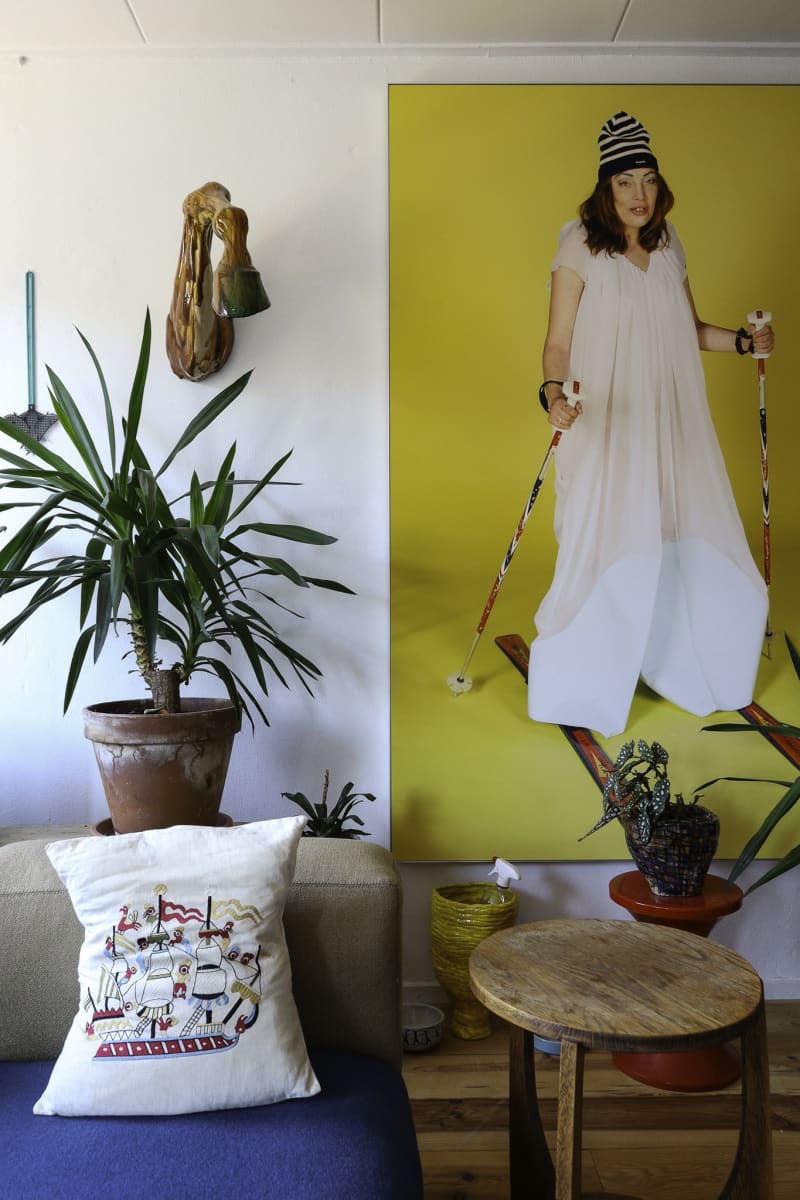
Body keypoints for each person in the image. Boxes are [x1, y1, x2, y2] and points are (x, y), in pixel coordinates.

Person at [528, 111, 774, 739]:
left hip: (668, 419)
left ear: (660, 186)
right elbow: (558, 343)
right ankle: (587, 671)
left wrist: (746, 343)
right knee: (599, 531)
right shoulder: (578, 245)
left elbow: (691, 332)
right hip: (605, 422)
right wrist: (552, 394)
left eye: (649, 181)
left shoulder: (669, 244)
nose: (639, 196)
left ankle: (667, 653)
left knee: (670, 525)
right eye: (625, 183)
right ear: (605, 189)